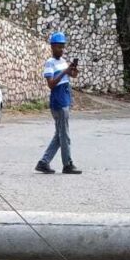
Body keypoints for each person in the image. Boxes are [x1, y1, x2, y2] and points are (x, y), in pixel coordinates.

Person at [35, 32, 81, 175]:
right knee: (64, 134)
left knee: (59, 135)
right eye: (58, 47)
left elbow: (70, 76)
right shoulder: (50, 63)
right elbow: (51, 84)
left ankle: (43, 162)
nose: (61, 50)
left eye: (63, 47)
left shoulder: (63, 61)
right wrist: (64, 71)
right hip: (58, 102)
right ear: (52, 47)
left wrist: (73, 71)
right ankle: (67, 164)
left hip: (65, 100)